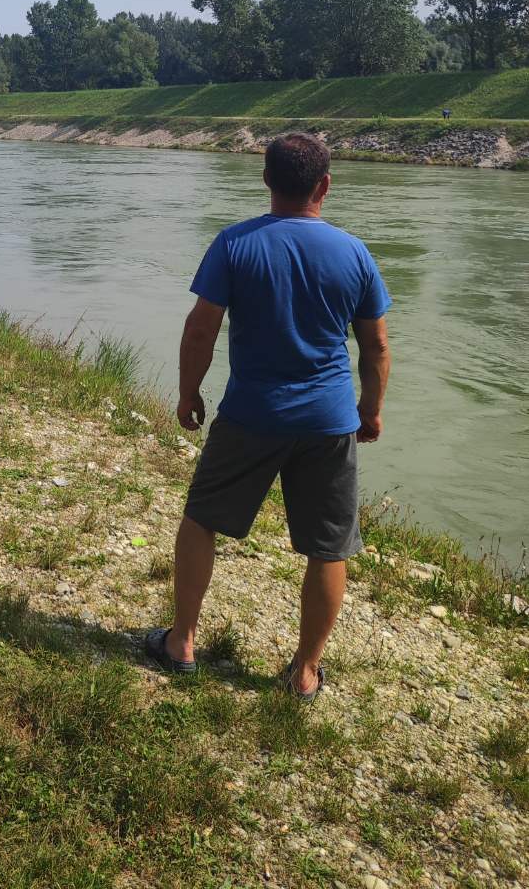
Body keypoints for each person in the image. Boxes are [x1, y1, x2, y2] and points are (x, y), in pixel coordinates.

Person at [146, 133, 392, 699]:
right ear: (324, 185)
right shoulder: (353, 252)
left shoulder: (235, 244)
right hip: (329, 421)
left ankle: (182, 641)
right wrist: (370, 411)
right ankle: (304, 672)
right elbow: (375, 347)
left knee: (202, 518)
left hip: (251, 413)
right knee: (327, 547)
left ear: (266, 180)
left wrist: (188, 394)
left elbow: (200, 328)